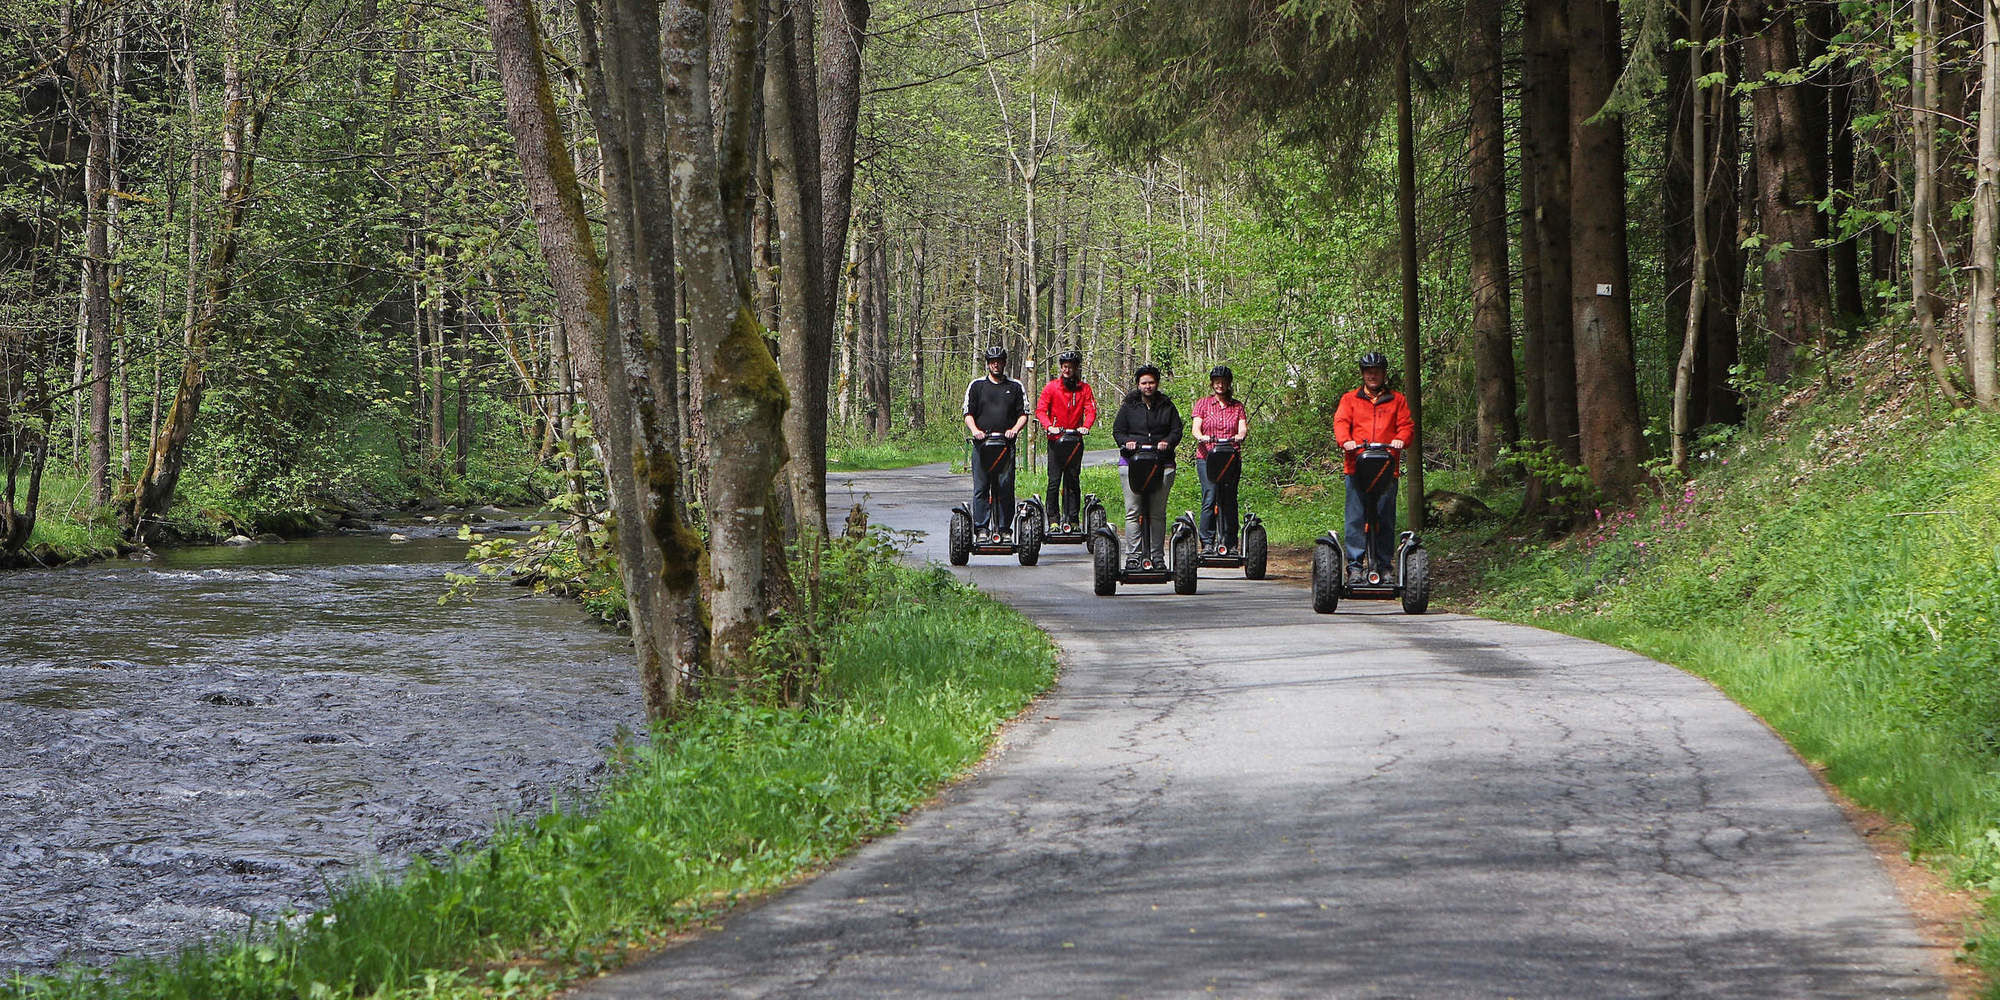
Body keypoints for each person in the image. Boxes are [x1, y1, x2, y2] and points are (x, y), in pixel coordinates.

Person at [1333, 351, 1416, 585]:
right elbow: (1341, 423)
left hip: (1386, 469)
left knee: (1384, 517)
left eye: (1377, 372)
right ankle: (1356, 567)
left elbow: (1407, 426)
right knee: (1356, 517)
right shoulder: (1350, 399)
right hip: (1356, 467)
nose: (1373, 376)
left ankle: (1384, 565)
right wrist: (1345, 441)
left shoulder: (1396, 400)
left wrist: (1401, 439)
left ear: (1383, 374)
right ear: (1363, 374)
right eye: (1369, 371)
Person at [1111, 365, 1183, 570]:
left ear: (1157, 383)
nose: (1148, 386)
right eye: (1144, 383)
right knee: (1133, 511)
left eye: (1151, 382)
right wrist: (1127, 443)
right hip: (1132, 464)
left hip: (1162, 463)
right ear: (1138, 385)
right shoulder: (1128, 407)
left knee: (1157, 513)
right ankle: (1133, 556)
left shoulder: (1167, 406)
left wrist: (1167, 442)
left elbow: (1176, 430)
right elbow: (1118, 432)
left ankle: (1157, 557)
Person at [962, 345, 1029, 543]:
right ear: (988, 363)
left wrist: (1014, 430)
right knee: (981, 487)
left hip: (1005, 445)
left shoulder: (1015, 386)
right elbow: (968, 413)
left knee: (1005, 487)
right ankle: (982, 529)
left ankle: (1004, 529)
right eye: (992, 361)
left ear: (1004, 362)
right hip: (982, 445)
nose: (996, 364)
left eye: (999, 361)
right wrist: (975, 431)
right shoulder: (977, 386)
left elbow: (1024, 413)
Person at [1034, 350, 1098, 532]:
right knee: (1054, 481)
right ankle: (1053, 520)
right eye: (1064, 366)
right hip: (1056, 440)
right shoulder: (1052, 387)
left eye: (1070, 366)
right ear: (1061, 368)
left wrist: (1086, 426)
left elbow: (1090, 410)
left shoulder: (1084, 389)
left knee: (1072, 480)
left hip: (1075, 440)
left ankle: (1073, 519)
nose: (1067, 370)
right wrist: (1049, 426)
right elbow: (1041, 410)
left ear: (1076, 368)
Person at [1190, 365, 1249, 555]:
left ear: (1229, 383)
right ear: (1212, 383)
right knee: (1210, 495)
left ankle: (1230, 543)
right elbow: (1195, 428)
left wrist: (1239, 436)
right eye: (1217, 381)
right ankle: (1207, 541)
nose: (1220, 385)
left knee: (1229, 498)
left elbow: (1242, 429)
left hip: (1230, 457)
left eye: (1223, 381)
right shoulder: (1203, 404)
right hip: (1207, 457)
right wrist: (1201, 437)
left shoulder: (1237, 406)